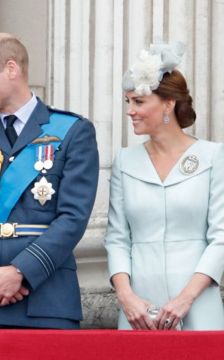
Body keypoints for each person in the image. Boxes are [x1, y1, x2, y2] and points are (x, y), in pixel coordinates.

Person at [0, 33, 99, 329]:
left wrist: (20, 271)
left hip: (46, 300)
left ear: (11, 69)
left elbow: (73, 217)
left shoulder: (73, 131)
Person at [104, 42, 224, 330]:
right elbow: (117, 239)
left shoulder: (212, 157)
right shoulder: (124, 161)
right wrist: (126, 297)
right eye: (128, 102)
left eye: (139, 102)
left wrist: (186, 298)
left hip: (198, 305)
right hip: (138, 311)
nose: (130, 111)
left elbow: (221, 236)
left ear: (168, 103)